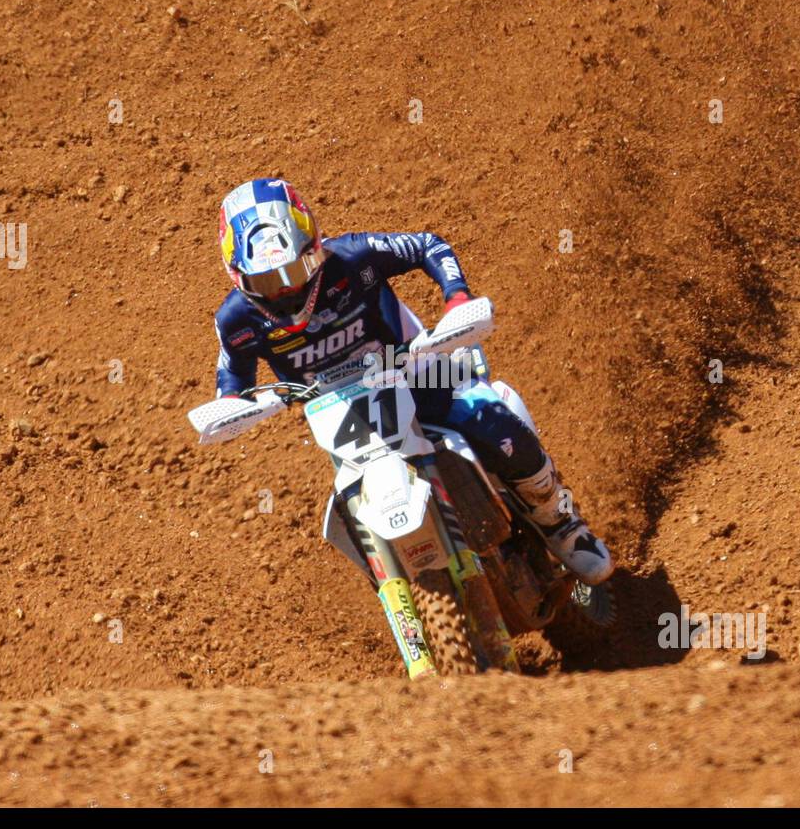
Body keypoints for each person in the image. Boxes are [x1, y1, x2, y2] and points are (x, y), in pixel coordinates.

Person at [210, 178, 614, 585]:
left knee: (494, 425)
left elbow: (428, 246)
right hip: (345, 412)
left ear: (313, 247)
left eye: (294, 270)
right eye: (265, 281)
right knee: (347, 517)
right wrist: (231, 404)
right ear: (237, 277)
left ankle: (562, 526)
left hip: (421, 371)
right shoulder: (236, 322)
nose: (284, 288)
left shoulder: (353, 257)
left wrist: (456, 297)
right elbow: (233, 381)